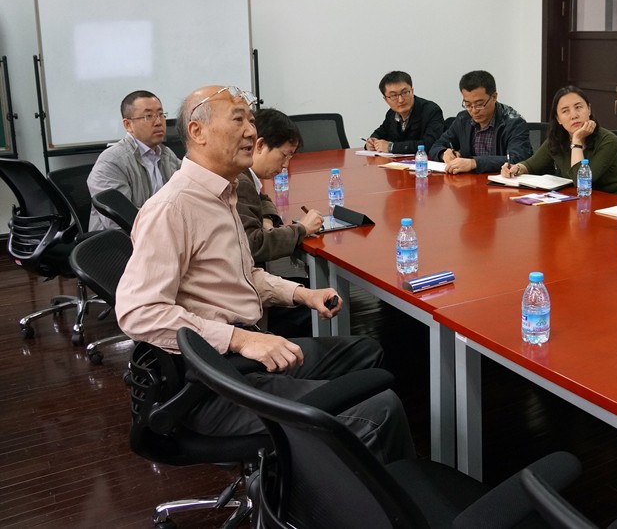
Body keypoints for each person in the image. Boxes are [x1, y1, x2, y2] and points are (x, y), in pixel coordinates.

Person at [115, 85, 415, 464]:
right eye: (237, 119)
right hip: (214, 383)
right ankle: (343, 485)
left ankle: (325, 465)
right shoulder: (174, 207)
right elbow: (138, 312)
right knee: (381, 410)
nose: (251, 131)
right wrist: (241, 339)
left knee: (366, 351)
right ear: (197, 131)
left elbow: (242, 274)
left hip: (244, 354)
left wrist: (301, 295)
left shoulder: (222, 194)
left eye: (251, 120)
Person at [236, 108, 324, 337]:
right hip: (245, 302)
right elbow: (254, 245)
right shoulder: (240, 182)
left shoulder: (245, 176)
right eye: (284, 155)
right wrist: (301, 229)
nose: (285, 165)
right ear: (260, 145)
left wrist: (266, 218)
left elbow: (262, 198)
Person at [502, 85, 617, 195]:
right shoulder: (558, 138)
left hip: (608, 204)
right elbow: (531, 165)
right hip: (573, 202)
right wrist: (516, 168)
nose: (574, 115)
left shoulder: (608, 140)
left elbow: (581, 182)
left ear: (589, 109)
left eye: (578, 107)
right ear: (558, 119)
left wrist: (577, 140)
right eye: (565, 111)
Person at [87, 90, 181, 231]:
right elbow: (120, 219)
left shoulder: (166, 154)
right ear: (128, 125)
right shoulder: (112, 161)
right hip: (121, 240)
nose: (158, 122)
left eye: (161, 114)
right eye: (148, 116)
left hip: (161, 232)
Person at [429, 70, 531, 174]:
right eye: (468, 105)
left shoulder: (514, 123)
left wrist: (474, 163)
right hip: (469, 181)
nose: (474, 111)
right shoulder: (463, 119)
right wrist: (443, 153)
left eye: (479, 104)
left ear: (494, 97)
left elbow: (519, 158)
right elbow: (436, 145)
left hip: (500, 181)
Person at [364, 71, 445, 154]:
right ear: (386, 99)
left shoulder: (431, 111)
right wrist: (371, 142)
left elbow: (431, 144)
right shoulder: (391, 114)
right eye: (393, 95)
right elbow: (380, 133)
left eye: (404, 93)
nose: (401, 100)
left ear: (412, 91)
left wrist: (391, 147)